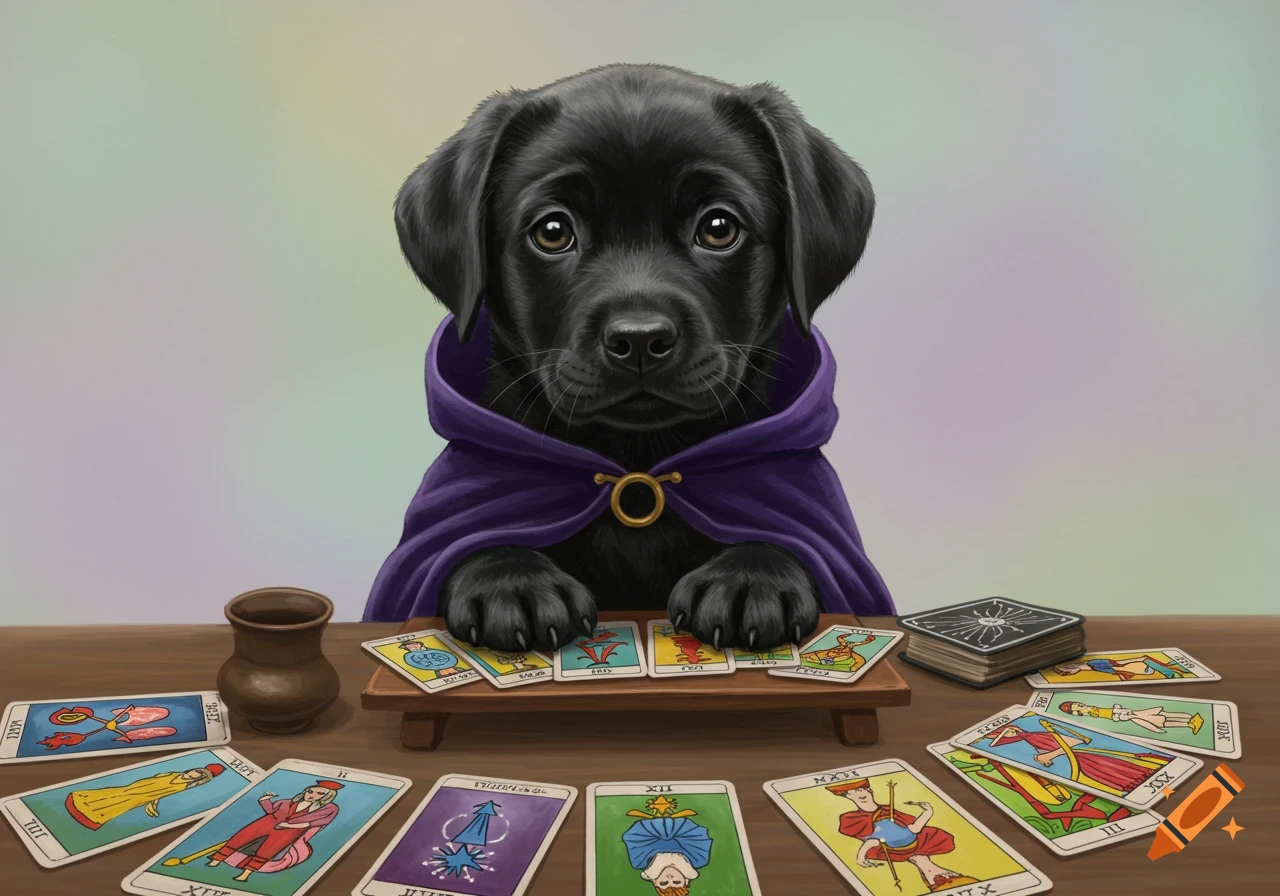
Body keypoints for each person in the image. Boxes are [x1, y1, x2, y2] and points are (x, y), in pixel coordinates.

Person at [829, 778, 977, 892]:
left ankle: (949, 882)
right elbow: (870, 840)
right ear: (847, 796)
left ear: (870, 791)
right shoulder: (851, 818)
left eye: (863, 789)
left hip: (913, 840)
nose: (861, 793)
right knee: (921, 860)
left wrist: (928, 812)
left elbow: (913, 827)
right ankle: (941, 882)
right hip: (888, 846)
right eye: (853, 792)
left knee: (922, 859)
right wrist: (861, 856)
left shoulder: (889, 809)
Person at [206, 781, 341, 883]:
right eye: (311, 791)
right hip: (266, 823)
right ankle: (216, 860)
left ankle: (245, 874)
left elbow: (320, 822)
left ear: (327, 796)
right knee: (239, 840)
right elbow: (271, 810)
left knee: (266, 851)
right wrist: (264, 800)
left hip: (289, 831)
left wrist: (291, 825)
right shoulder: (287, 802)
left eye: (320, 793)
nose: (312, 795)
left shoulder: (329, 809)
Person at [982, 724, 1171, 794]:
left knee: (1114, 770)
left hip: (1086, 759)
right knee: (1109, 776)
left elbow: (1072, 741)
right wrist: (1047, 757)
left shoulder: (1033, 736)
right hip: (1083, 763)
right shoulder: (1031, 737)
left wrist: (1048, 755)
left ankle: (1143, 780)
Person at [64, 763, 223, 829]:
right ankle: (79, 803)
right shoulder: (175, 774)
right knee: (112, 793)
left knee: (116, 804)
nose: (194, 773)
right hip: (134, 787)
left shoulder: (182, 786)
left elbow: (160, 793)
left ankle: (89, 816)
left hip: (139, 796)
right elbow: (156, 778)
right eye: (197, 771)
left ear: (200, 779)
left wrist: (151, 804)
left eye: (199, 775)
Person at [621, 796, 712, 896]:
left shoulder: (639, 860)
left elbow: (634, 836)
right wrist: (668, 827)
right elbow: (696, 833)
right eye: (677, 882)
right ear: (686, 881)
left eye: (663, 883)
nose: (670, 878)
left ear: (655, 882)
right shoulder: (699, 858)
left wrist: (660, 826)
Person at [1060, 700, 1202, 735]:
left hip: (1129, 713)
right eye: (1078, 711)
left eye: (1078, 706)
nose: (1081, 709)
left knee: (1162, 715)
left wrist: (1118, 712)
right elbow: (1111, 715)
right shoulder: (1093, 713)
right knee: (1161, 721)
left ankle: (1190, 719)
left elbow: (1111, 711)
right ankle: (1189, 724)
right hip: (1125, 715)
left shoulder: (1094, 709)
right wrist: (1118, 715)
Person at [1051, 655, 1191, 681]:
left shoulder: (1094, 664)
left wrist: (1138, 659)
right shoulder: (1092, 666)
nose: (1068, 672)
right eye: (1067, 673)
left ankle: (1170, 671)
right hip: (1134, 668)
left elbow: (1119, 664)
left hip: (1136, 666)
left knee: (1168, 669)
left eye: (1066, 671)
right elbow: (1118, 668)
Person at [802, 632, 875, 672]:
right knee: (812, 657)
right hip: (831, 653)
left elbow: (861, 643)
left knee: (859, 661)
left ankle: (825, 661)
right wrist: (843, 636)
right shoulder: (843, 644)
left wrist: (868, 640)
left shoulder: (850, 646)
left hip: (841, 656)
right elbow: (839, 638)